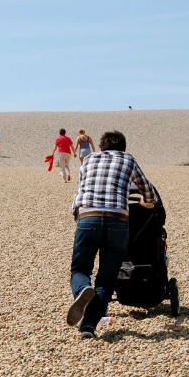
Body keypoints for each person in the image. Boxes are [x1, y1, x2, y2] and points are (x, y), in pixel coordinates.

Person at [67, 131, 160, 339]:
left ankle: (82, 290)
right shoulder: (128, 160)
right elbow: (149, 193)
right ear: (123, 148)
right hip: (117, 220)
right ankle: (88, 327)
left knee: (79, 269)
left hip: (87, 216)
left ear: (101, 147)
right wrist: (147, 203)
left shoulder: (89, 160)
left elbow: (82, 189)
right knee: (106, 280)